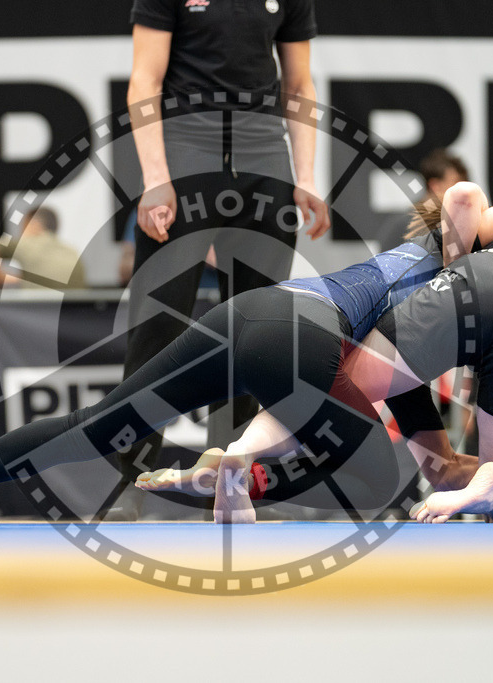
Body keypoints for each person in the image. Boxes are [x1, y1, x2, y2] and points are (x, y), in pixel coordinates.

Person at [0, 182, 493, 525]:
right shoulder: (448, 270)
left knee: (95, 424)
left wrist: (488, 467)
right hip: (303, 341)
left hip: (251, 311)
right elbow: (433, 460)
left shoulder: (407, 289)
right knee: (376, 468)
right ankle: (235, 470)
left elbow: (442, 454)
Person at [140, 185, 493, 523]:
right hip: (425, 324)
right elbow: (479, 198)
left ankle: (240, 454)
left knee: (329, 401)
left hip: (396, 329)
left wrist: (461, 275)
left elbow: (444, 469)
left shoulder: (434, 254)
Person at [109, 0, 329, 519]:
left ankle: (230, 481)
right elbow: (144, 79)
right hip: (187, 148)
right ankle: (125, 481)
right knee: (157, 325)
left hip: (263, 156)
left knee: (256, 333)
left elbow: (298, 84)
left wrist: (306, 177)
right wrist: (156, 178)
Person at [378, 149, 469, 251]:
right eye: (456, 184)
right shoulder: (403, 226)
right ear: (435, 186)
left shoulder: (461, 223)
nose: (464, 192)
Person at [12, 207, 86, 289]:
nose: (21, 235)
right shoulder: (72, 252)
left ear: (35, 225)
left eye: (24, 228)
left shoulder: (29, 246)